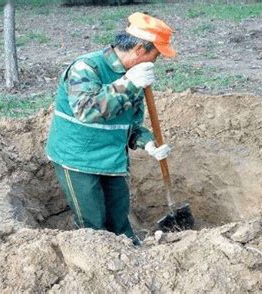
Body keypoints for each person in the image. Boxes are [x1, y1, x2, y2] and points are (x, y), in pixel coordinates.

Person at [45, 12, 176, 245]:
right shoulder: (86, 67)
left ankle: (132, 254)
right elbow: (87, 110)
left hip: (111, 158)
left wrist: (147, 142)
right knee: (92, 224)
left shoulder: (134, 76)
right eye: (155, 56)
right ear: (139, 51)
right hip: (77, 159)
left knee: (119, 219)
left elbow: (129, 124)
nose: (155, 63)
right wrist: (128, 83)